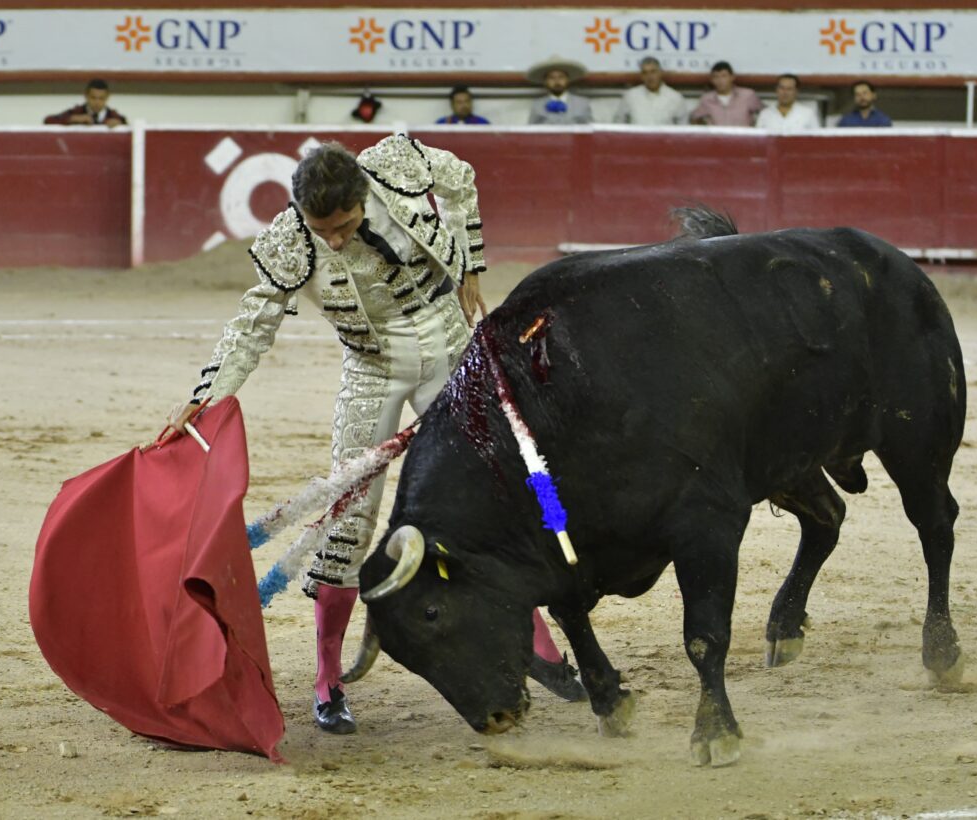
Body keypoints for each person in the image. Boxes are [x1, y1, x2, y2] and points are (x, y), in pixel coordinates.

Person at [163, 136, 586, 735]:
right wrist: (204, 397)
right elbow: (252, 326)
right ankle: (327, 678)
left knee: (502, 494)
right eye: (321, 228)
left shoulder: (396, 168)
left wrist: (469, 264)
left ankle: (536, 641)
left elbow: (461, 178)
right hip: (373, 367)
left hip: (452, 354)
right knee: (348, 519)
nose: (332, 239)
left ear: (363, 197)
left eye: (343, 225)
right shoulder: (292, 240)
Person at [613, 56, 688, 126]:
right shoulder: (631, 96)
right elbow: (618, 124)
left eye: (653, 72)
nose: (650, 77)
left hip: (664, 140)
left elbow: (683, 129)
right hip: (637, 139)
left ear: (660, 73)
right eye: (645, 73)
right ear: (641, 76)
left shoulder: (675, 97)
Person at [689, 61, 762, 127]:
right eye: (716, 77)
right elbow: (694, 118)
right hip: (717, 140)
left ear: (732, 77)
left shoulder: (747, 95)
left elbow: (765, 114)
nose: (720, 81)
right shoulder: (706, 99)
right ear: (711, 80)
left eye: (724, 76)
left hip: (743, 139)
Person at [527, 55, 593, 125]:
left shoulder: (582, 103)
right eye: (551, 78)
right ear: (545, 81)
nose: (557, 81)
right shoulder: (537, 105)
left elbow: (592, 130)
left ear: (567, 79)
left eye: (561, 77)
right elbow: (531, 131)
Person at [44, 79, 128, 127]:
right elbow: (48, 121)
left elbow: (129, 130)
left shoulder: (114, 116)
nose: (97, 102)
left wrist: (120, 126)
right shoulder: (77, 112)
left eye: (101, 98)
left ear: (107, 98)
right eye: (93, 98)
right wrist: (72, 119)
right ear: (86, 96)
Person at [755, 74, 820, 132]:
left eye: (789, 89)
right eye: (782, 88)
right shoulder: (765, 114)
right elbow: (757, 141)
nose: (785, 92)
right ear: (776, 90)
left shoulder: (808, 114)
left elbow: (817, 140)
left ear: (796, 91)